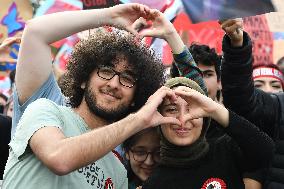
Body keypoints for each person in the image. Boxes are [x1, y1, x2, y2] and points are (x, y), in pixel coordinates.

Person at [2, 4, 177, 189]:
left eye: (127, 78)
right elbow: (59, 159)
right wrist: (109, 15)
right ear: (84, 79)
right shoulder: (45, 109)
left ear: (136, 96)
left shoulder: (118, 172)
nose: (114, 84)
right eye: (106, 71)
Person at [140, 77, 274, 189]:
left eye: (191, 109)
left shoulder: (226, 149)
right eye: (171, 109)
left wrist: (214, 110)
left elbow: (265, 150)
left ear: (205, 118)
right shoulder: (154, 183)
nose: (182, 119)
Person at [220, 18, 284, 189]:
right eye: (259, 85)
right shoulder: (278, 107)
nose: (269, 89)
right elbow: (240, 98)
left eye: (275, 85)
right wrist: (237, 46)